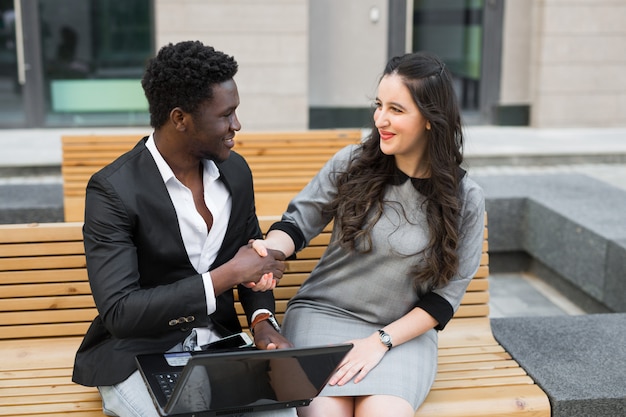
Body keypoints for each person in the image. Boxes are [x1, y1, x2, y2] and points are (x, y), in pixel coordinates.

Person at [252, 52, 485, 417]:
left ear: (429, 118)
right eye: (378, 105)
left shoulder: (465, 198)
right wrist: (268, 252)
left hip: (402, 334)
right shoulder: (352, 163)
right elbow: (299, 223)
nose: (381, 120)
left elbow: (444, 299)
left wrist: (380, 341)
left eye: (396, 109)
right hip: (323, 314)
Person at [72, 40, 295, 417]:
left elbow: (252, 256)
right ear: (180, 118)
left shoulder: (236, 172)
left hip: (220, 349)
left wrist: (261, 321)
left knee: (283, 413)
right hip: (139, 354)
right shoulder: (114, 190)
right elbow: (121, 312)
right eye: (226, 115)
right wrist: (225, 276)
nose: (236, 125)